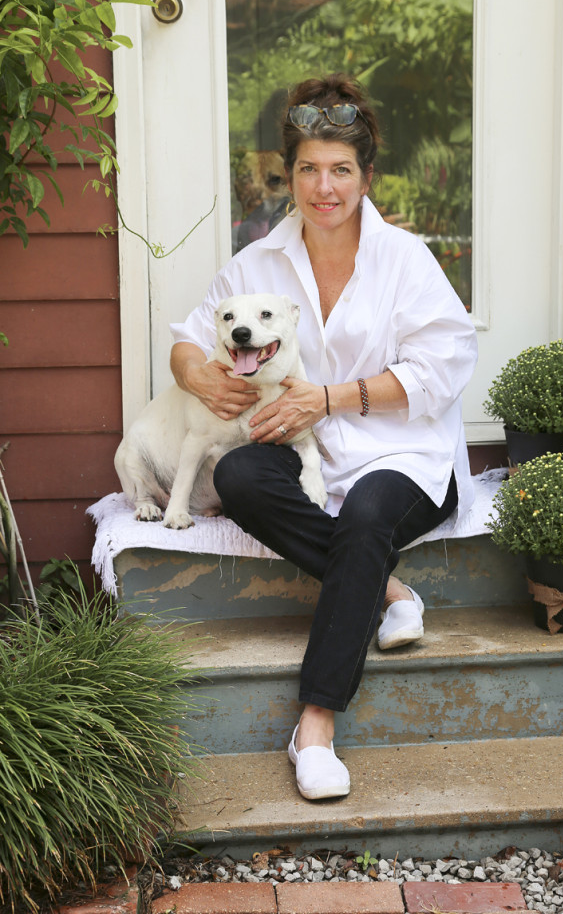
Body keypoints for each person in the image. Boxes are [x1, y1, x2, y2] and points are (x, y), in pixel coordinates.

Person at [169, 74, 478, 801]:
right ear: (290, 175)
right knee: (240, 475)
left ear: (366, 177)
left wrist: (330, 398)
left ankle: (313, 725)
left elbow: (446, 362)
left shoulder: (405, 259)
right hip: (307, 459)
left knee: (368, 515)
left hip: (404, 453)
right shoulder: (256, 263)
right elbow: (190, 339)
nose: (323, 186)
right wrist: (197, 378)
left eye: (340, 169)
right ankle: (387, 590)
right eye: (308, 168)